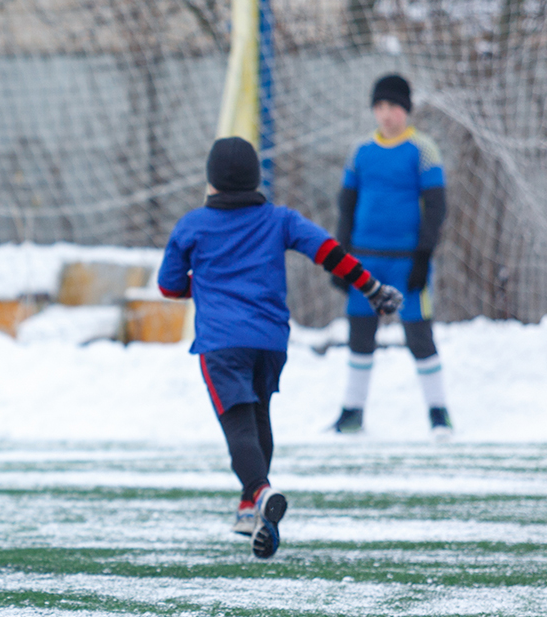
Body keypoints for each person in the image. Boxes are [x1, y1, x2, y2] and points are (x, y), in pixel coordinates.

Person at [158, 137, 404, 559]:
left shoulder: (193, 226)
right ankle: (250, 510)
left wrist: (206, 283)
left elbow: (169, 285)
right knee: (258, 416)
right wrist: (372, 288)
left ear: (211, 182)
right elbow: (328, 251)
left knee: (237, 423)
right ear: (256, 177)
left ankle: (259, 491)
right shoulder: (279, 219)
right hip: (270, 341)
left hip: (221, 342)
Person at [330, 73, 453, 437]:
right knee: (360, 336)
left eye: (394, 107)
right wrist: (340, 258)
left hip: (406, 261)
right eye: (380, 107)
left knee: (418, 335)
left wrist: (423, 256)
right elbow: (346, 208)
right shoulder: (360, 152)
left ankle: (439, 414)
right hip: (365, 261)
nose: (387, 115)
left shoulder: (424, 150)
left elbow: (436, 208)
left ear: (406, 110)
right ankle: (352, 413)